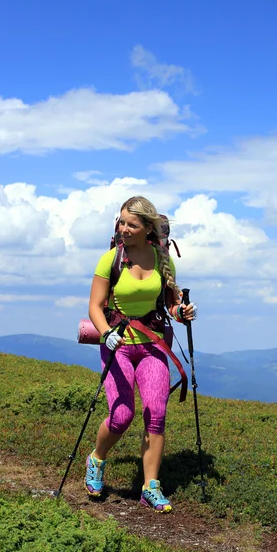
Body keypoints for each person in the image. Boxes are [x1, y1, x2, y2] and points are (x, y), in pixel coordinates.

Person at [85, 196, 197, 513]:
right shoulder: (111, 259)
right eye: (121, 222)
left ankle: (151, 486)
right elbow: (95, 306)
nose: (124, 229)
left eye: (131, 224)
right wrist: (106, 334)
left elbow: (172, 305)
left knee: (156, 414)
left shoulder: (162, 260)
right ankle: (97, 459)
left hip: (152, 346)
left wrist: (182, 311)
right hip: (117, 345)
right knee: (122, 415)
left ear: (147, 228)